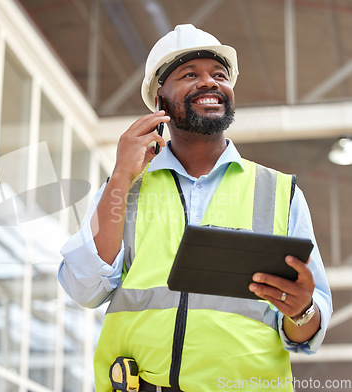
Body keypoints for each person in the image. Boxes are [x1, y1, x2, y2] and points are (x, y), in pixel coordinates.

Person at [58, 24, 332, 392]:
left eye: (220, 75)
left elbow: (305, 333)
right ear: (160, 100)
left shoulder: (280, 191)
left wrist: (303, 310)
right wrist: (121, 174)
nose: (209, 83)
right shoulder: (126, 190)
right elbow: (84, 288)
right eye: (190, 75)